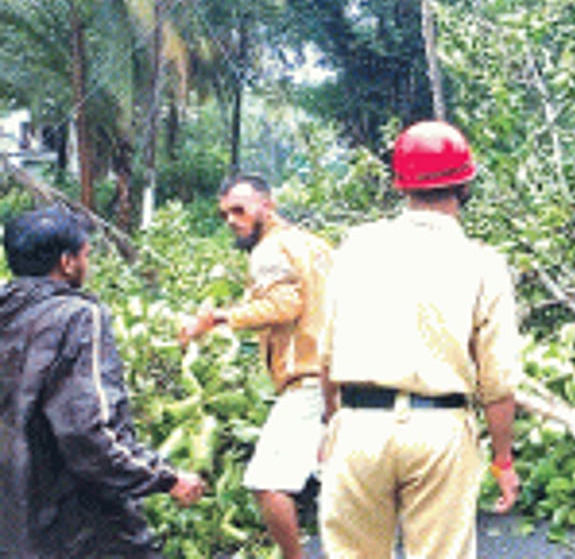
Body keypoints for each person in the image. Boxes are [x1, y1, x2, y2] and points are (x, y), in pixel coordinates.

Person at [320, 120, 523, 559]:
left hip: (358, 423)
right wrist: (502, 460)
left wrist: (332, 423)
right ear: (465, 184)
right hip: (439, 428)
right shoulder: (482, 263)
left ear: (400, 185)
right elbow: (498, 379)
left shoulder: (356, 247)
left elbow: (326, 352)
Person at [0, 207, 206, 557]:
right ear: (67, 263)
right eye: (86, 255)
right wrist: (166, 478)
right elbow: (88, 431)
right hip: (73, 521)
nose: (87, 263)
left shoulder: (9, 312)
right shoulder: (78, 317)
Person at [178, 174, 332, 559]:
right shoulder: (315, 246)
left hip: (308, 379)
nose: (232, 220)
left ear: (268, 206)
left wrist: (216, 319)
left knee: (267, 482)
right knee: (335, 482)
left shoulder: (270, 249)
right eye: (226, 213)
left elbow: (284, 306)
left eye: (239, 210)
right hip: (340, 380)